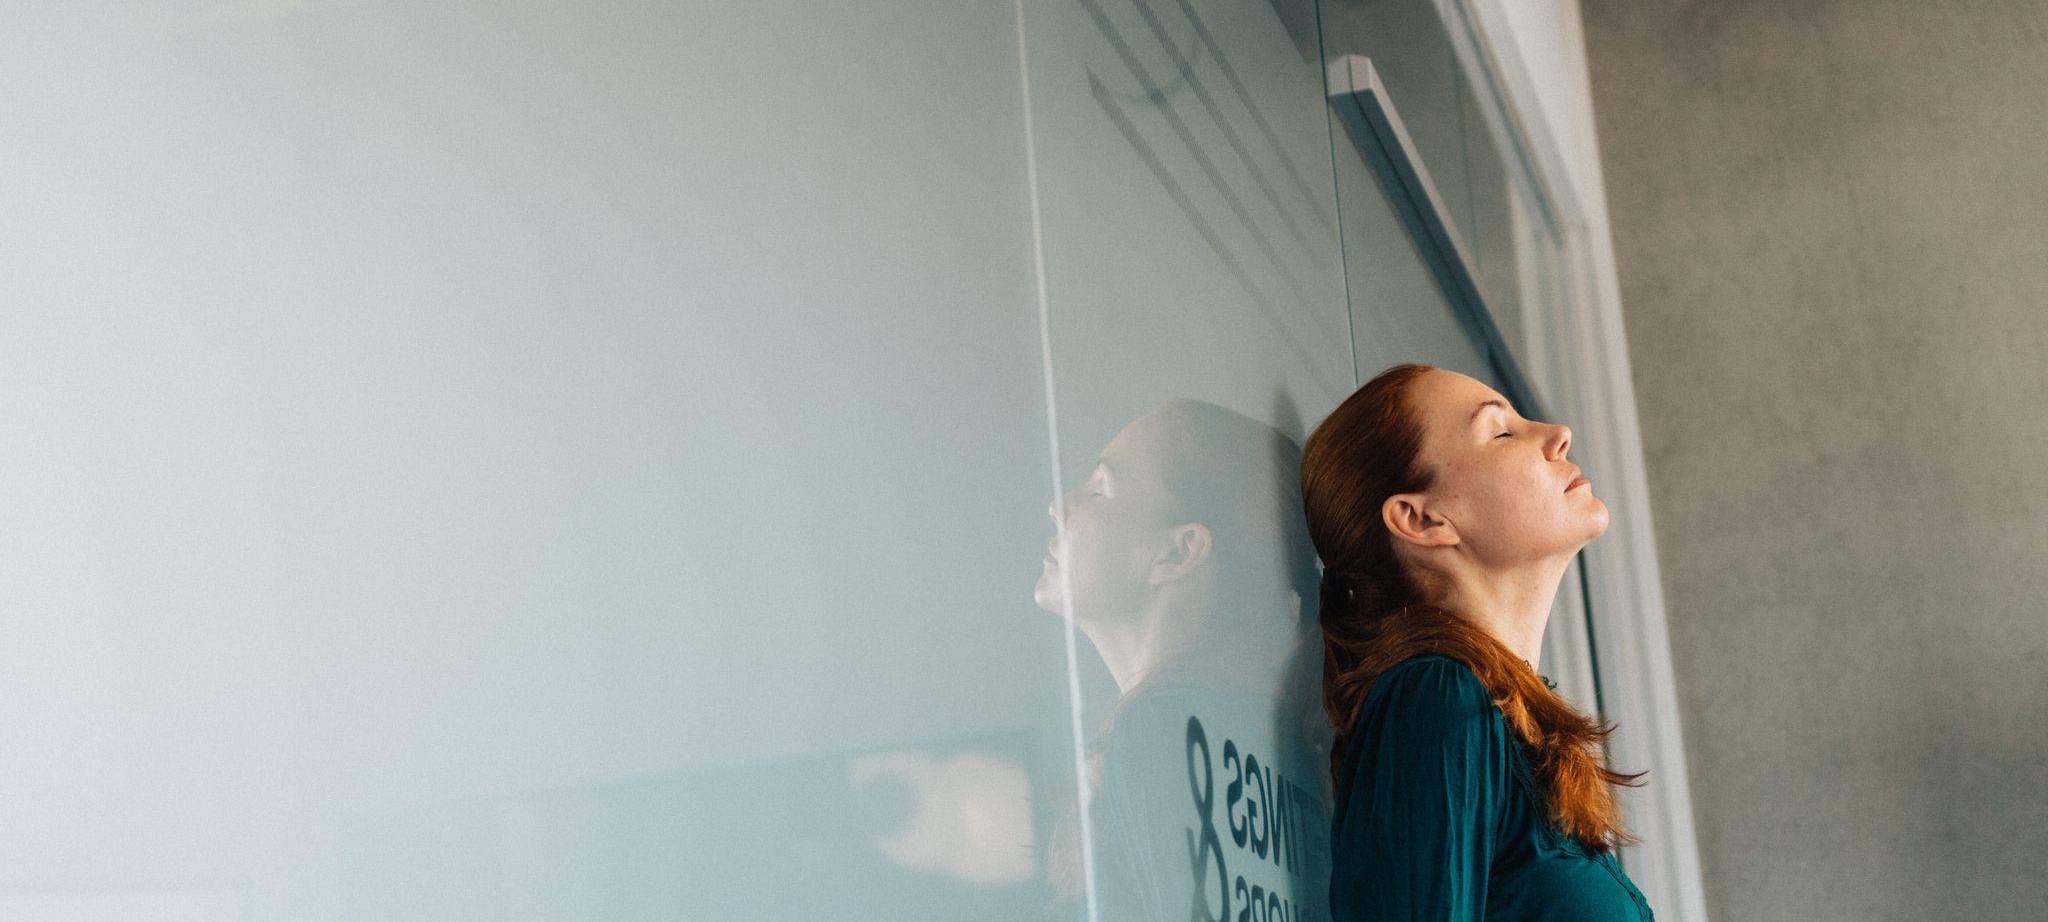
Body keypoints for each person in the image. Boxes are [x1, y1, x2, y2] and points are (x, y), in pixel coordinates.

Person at [1300, 363, 1657, 920]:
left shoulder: (1491, 718)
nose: (1557, 433)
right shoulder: (1435, 696)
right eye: (1502, 431)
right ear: (1421, 519)